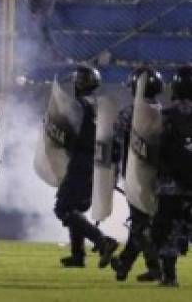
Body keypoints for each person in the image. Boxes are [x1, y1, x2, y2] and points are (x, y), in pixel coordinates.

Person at [55, 65, 119, 268]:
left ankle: (102, 241)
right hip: (100, 164)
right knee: (76, 207)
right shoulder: (102, 106)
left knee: (64, 208)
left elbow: (67, 134)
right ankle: (78, 255)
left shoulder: (78, 105)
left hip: (81, 161)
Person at [111, 68, 164, 282]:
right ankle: (125, 264)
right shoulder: (162, 112)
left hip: (134, 173)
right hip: (159, 176)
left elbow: (114, 140)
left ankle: (155, 267)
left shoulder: (130, 113)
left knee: (140, 223)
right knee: (141, 222)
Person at [151, 65, 192, 287]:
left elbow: (149, 150)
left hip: (170, 184)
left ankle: (169, 275)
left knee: (167, 228)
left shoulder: (163, 117)